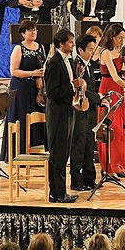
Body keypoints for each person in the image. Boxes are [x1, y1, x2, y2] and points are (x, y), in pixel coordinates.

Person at [98, 24, 125, 177]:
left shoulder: (119, 51)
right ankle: (108, 167)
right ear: (111, 37)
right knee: (111, 129)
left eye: (123, 38)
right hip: (108, 89)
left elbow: (122, 73)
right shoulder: (105, 53)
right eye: (119, 38)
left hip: (118, 91)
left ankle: (118, 165)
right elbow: (114, 77)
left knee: (121, 129)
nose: (121, 41)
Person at [45, 28, 81, 203]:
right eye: (70, 42)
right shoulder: (53, 62)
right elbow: (52, 92)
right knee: (58, 154)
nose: (73, 44)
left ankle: (61, 191)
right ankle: (57, 194)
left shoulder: (69, 60)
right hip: (57, 113)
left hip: (68, 109)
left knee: (64, 152)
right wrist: (72, 85)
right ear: (61, 44)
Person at [6, 19, 47, 159]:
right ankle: (19, 153)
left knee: (37, 117)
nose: (34, 32)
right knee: (22, 118)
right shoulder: (18, 48)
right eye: (30, 30)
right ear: (23, 33)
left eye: (35, 30)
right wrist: (33, 73)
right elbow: (14, 71)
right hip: (21, 88)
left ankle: (35, 151)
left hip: (37, 88)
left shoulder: (40, 47)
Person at [71, 34, 100, 191]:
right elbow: (81, 90)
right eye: (89, 49)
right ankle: (77, 181)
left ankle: (90, 179)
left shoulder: (89, 64)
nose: (92, 52)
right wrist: (97, 98)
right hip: (80, 109)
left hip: (91, 109)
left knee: (90, 144)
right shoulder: (76, 65)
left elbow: (92, 88)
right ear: (80, 50)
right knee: (79, 145)